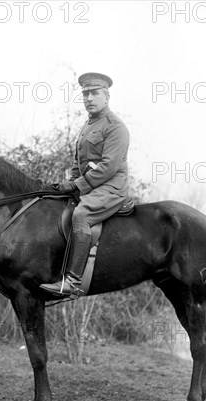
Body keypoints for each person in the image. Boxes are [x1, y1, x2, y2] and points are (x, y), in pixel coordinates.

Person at [40, 72, 130, 296]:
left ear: (106, 96)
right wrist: (67, 184)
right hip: (91, 185)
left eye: (94, 93)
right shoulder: (87, 126)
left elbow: (108, 167)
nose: (89, 98)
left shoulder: (116, 127)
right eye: (85, 94)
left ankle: (72, 281)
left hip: (111, 187)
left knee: (81, 215)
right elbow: (77, 163)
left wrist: (78, 186)